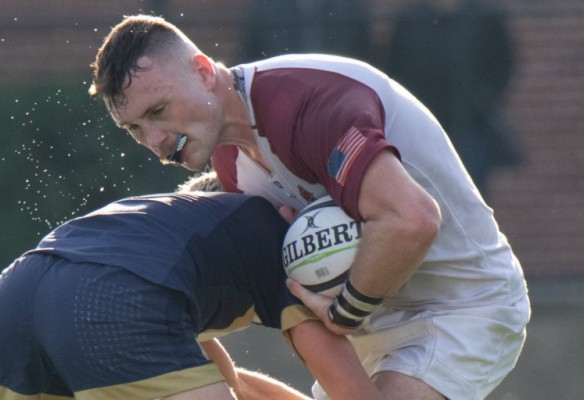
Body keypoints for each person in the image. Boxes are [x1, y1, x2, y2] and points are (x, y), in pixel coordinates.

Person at [88, 15, 530, 400]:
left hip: (460, 306)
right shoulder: (225, 151)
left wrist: (344, 314)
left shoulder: (306, 101)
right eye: (134, 128)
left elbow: (411, 220)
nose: (154, 141)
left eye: (159, 111)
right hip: (373, 323)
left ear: (203, 71)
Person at [0, 176, 379, 400]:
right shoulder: (274, 236)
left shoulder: (165, 242)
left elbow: (235, 384)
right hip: (105, 301)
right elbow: (355, 394)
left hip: (12, 297)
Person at [386, 0, 522, 197]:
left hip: (471, 125)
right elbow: (395, 67)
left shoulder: (484, 17)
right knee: (423, 192)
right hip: (421, 125)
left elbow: (502, 63)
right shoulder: (411, 19)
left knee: (471, 194)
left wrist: (482, 99)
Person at [240, 0, 372, 63]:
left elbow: (363, 54)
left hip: (338, 93)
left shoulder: (349, 7)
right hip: (284, 94)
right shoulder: (266, 8)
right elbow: (252, 57)